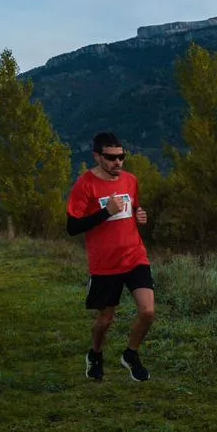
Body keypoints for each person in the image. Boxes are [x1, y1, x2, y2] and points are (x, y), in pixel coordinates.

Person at [67, 132, 154, 381]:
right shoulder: (85, 185)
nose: (118, 162)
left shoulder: (130, 180)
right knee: (105, 319)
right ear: (97, 156)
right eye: (111, 158)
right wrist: (104, 213)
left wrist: (140, 215)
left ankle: (131, 354)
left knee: (147, 311)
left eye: (121, 157)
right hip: (105, 264)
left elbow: (134, 207)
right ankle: (95, 354)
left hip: (135, 256)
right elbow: (72, 227)